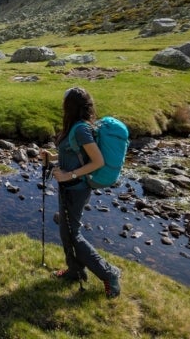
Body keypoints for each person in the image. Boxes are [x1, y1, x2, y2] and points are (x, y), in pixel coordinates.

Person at [40, 86, 122, 299]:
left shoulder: (81, 130)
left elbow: (97, 162)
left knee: (73, 234)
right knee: (66, 233)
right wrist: (52, 159)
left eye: (64, 102)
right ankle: (75, 271)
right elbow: (75, 157)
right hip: (68, 187)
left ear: (71, 106)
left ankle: (109, 273)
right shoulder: (74, 128)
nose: (61, 105)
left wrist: (69, 176)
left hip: (76, 189)